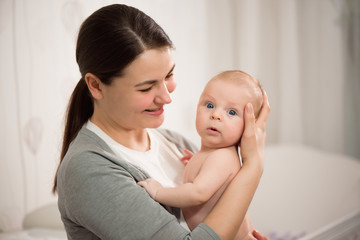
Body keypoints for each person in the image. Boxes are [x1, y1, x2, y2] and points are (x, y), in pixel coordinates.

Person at [52, 4, 270, 240]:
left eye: (169, 76)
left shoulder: (176, 144)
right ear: (95, 85)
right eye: (146, 87)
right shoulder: (89, 170)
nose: (167, 96)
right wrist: (252, 169)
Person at [138, 70, 263, 239]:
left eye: (232, 112)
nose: (216, 115)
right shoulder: (210, 155)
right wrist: (197, 163)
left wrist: (159, 193)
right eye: (209, 105)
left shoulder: (223, 157)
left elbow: (197, 193)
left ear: (249, 126)